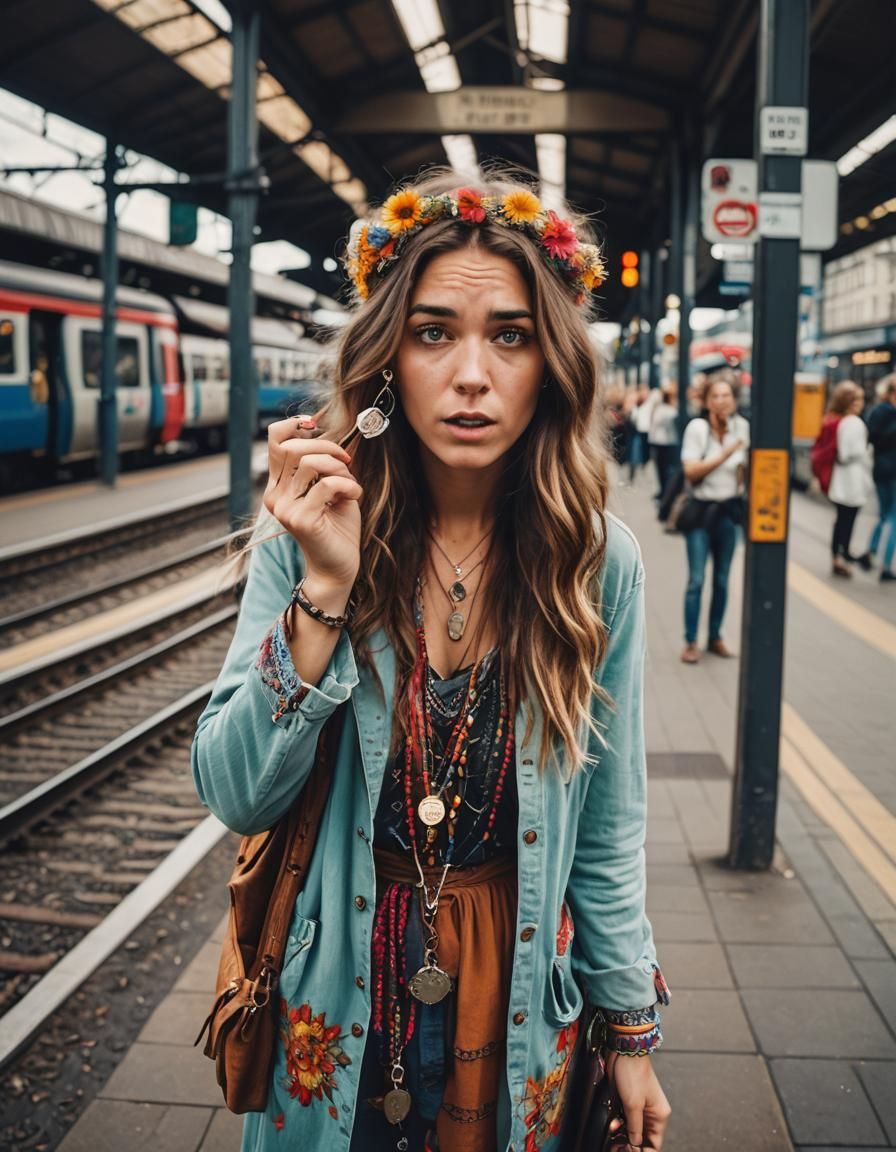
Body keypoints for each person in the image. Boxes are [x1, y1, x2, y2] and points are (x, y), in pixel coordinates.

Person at [192, 169, 671, 1152]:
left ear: (551, 363)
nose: (471, 374)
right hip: (332, 992)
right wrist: (325, 592)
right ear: (386, 359)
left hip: (518, 991)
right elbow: (236, 793)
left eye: (510, 335)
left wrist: (628, 1028)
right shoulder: (309, 535)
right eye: (432, 333)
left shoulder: (595, 563)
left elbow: (608, 828)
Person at [679, 378, 749, 664]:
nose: (721, 401)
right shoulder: (697, 428)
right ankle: (690, 641)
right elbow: (691, 472)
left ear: (734, 399)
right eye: (716, 396)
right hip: (701, 513)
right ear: (707, 401)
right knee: (696, 580)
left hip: (728, 513)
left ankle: (715, 636)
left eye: (726, 395)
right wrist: (725, 454)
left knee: (722, 580)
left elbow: (745, 470)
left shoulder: (742, 427)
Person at [827, 381, 872, 578]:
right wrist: (865, 452)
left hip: (841, 479)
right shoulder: (854, 423)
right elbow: (849, 453)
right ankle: (842, 556)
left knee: (840, 520)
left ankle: (837, 556)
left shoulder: (841, 421)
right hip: (852, 480)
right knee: (847, 521)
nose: (861, 403)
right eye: (857, 400)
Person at [860, 374, 896, 582]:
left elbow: (871, 437)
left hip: (880, 469)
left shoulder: (877, 411)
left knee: (884, 515)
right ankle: (886, 566)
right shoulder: (890, 414)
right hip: (892, 472)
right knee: (893, 517)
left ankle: (871, 550)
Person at [647, 380, 679, 502]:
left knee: (666, 470)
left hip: (667, 443)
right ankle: (663, 492)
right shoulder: (663, 409)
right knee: (662, 469)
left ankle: (666, 493)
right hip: (661, 442)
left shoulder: (670, 410)